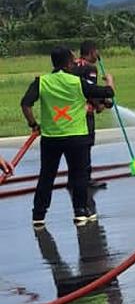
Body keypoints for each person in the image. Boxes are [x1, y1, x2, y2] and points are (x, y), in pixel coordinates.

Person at [20, 46, 116, 227]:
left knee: (46, 176)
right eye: (72, 61)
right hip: (77, 137)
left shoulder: (42, 81)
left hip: (51, 138)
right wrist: (110, 81)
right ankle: (80, 212)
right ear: (68, 64)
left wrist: (33, 124)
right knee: (79, 175)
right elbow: (108, 93)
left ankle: (38, 215)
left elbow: (25, 104)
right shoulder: (77, 82)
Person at [72, 40, 110, 191]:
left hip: (71, 112)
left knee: (75, 146)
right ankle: (86, 179)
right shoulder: (90, 68)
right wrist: (99, 104)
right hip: (85, 112)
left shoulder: (73, 64)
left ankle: (74, 178)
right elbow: (90, 90)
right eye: (97, 51)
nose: (98, 54)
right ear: (92, 52)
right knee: (86, 145)